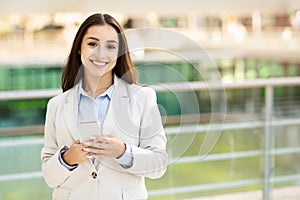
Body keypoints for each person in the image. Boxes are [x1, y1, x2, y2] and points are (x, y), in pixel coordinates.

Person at [41, 13, 167, 200]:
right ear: (79, 49)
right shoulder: (57, 105)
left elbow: (158, 165)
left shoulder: (142, 98)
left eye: (110, 46)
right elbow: (49, 177)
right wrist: (68, 159)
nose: (101, 54)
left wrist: (123, 151)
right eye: (92, 44)